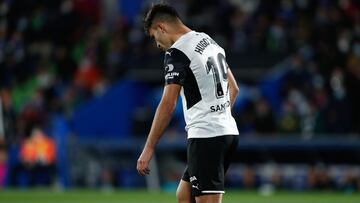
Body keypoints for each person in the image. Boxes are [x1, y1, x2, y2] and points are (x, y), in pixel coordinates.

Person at [136, 4, 239, 203]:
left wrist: (148, 148)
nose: (157, 44)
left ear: (161, 28)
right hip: (226, 133)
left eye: (154, 37)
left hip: (207, 136)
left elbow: (168, 104)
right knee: (184, 196)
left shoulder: (177, 52)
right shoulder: (208, 41)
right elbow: (234, 88)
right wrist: (220, 119)